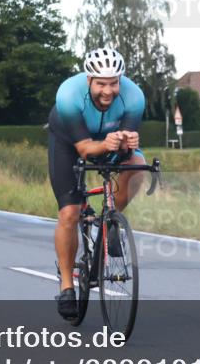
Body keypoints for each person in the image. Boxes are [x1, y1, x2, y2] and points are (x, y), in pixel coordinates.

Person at [47, 47, 147, 319]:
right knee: (70, 212)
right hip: (70, 141)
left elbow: (124, 149)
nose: (108, 91)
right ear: (89, 79)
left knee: (137, 165)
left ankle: (109, 221)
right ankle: (67, 284)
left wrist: (127, 144)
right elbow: (84, 150)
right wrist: (104, 143)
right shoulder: (68, 95)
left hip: (107, 138)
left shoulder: (134, 97)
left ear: (121, 81)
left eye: (113, 83)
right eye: (101, 83)